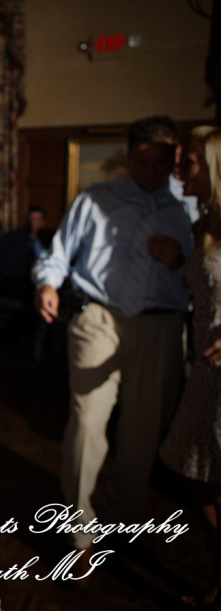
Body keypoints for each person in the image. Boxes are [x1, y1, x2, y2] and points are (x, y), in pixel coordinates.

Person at [32, 115, 192, 576]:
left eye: (161, 162)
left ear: (175, 158)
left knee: (143, 431)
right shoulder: (96, 199)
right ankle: (78, 534)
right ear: (130, 154)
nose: (152, 171)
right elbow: (57, 254)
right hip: (99, 316)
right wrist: (48, 284)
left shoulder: (189, 206)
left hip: (162, 325)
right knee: (87, 424)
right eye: (143, 161)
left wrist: (181, 260)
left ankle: (122, 522)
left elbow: (206, 272)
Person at [160, 126, 221, 608]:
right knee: (192, 471)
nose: (181, 169)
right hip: (202, 370)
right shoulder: (203, 225)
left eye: (191, 161)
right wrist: (180, 260)